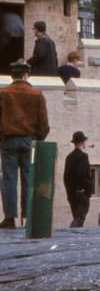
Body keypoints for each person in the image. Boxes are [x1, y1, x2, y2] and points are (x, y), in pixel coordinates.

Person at [0, 59, 49, 228]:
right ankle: (28, 216)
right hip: (30, 140)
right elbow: (43, 123)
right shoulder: (37, 94)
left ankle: (9, 218)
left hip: (9, 140)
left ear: (12, 75)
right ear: (26, 74)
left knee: (8, 179)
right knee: (29, 178)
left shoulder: (4, 93)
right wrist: (38, 139)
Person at [63, 131, 92, 227]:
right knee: (79, 218)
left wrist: (69, 191)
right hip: (81, 193)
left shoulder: (69, 157)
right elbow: (83, 175)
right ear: (82, 142)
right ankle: (71, 234)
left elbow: (66, 177)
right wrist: (87, 191)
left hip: (71, 193)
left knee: (76, 216)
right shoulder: (83, 156)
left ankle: (75, 236)